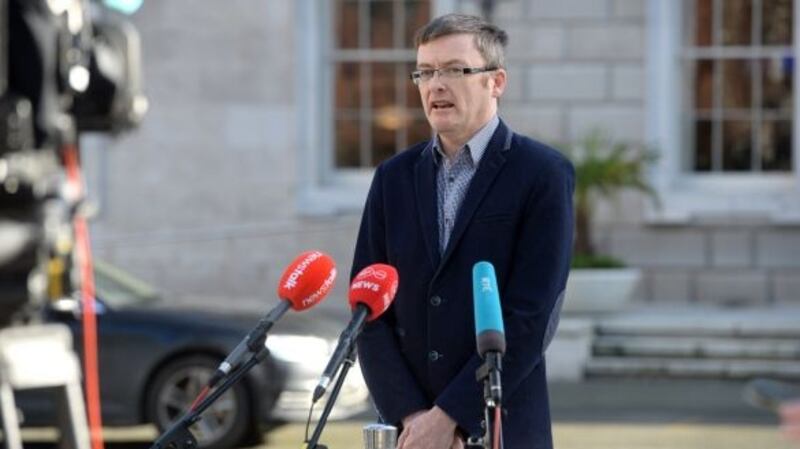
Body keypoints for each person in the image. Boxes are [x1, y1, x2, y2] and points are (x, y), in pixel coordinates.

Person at [351, 13, 574, 449]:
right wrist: (414, 417)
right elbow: (367, 313)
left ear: (496, 81)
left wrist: (450, 417)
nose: (436, 85)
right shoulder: (392, 178)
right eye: (426, 72)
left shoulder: (542, 174)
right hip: (408, 433)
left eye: (454, 70)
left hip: (499, 428)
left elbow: (531, 318)